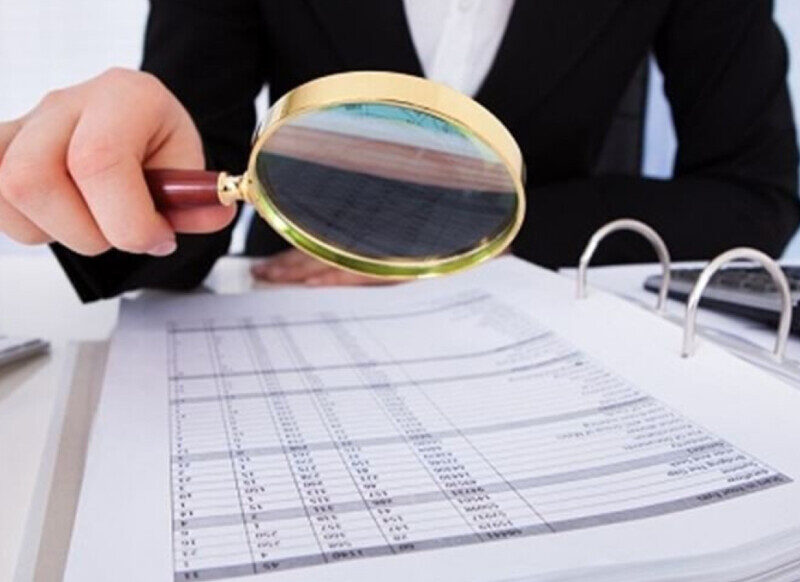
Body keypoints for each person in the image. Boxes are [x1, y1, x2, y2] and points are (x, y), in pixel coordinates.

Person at [0, 0, 797, 301]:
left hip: (546, 316)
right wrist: (109, 176)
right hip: (290, 315)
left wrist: (490, 233)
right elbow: (190, 197)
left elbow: (754, 194)